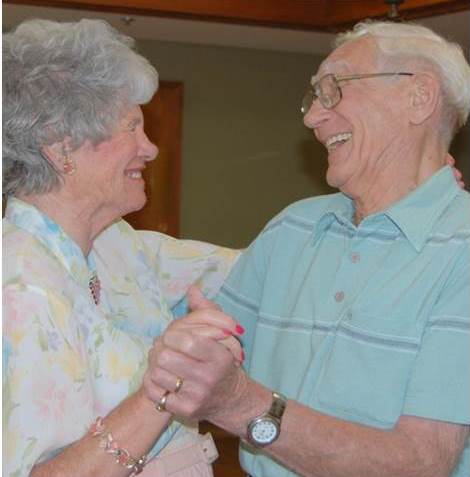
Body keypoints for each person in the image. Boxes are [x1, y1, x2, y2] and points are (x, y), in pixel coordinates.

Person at [143, 20, 470, 477]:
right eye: (314, 96)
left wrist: (243, 405)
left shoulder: (462, 249)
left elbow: (422, 462)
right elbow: (202, 364)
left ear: (418, 97)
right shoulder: (292, 227)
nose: (313, 116)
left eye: (334, 89)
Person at [2, 18, 243, 477]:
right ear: (61, 144)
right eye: (132, 127)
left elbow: (245, 269)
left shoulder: (113, 245)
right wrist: (168, 385)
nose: (150, 148)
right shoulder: (20, 284)